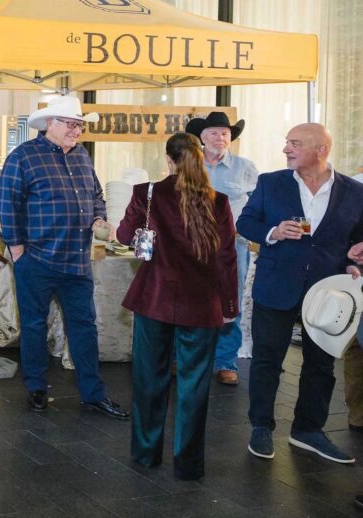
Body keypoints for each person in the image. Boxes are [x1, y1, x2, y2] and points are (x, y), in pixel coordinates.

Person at [237, 122, 363, 464]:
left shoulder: (355, 192)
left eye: (294, 143)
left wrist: (357, 261)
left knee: (321, 365)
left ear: (321, 150)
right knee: (267, 361)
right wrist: (273, 231)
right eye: (286, 142)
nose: (286, 149)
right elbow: (245, 223)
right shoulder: (270, 182)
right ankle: (261, 427)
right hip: (276, 285)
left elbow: (357, 241)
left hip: (327, 292)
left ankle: (308, 430)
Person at [116, 133, 239, 480]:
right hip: (202, 306)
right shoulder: (219, 202)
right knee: (194, 386)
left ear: (169, 160)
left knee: (148, 381)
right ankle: (187, 465)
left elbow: (126, 238)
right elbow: (226, 260)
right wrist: (230, 305)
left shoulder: (147, 193)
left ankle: (145, 454)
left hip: (154, 299)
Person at [0, 95, 129, 420]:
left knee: (84, 327)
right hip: (36, 261)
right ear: (50, 124)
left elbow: (96, 195)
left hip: (76, 262)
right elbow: (6, 204)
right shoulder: (23, 157)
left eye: (80, 125)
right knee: (33, 326)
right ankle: (36, 388)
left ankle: (93, 394)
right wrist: (17, 250)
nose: (77, 131)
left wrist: (99, 219)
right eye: (71, 124)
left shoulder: (83, 157)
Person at [184, 112, 259, 386]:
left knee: (231, 302)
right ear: (202, 138)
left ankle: (226, 362)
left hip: (233, 246)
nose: (221, 137)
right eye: (214, 132)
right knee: (191, 300)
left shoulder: (246, 167)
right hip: (193, 246)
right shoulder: (189, 165)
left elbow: (257, 205)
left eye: (225, 133)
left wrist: (249, 229)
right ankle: (189, 359)